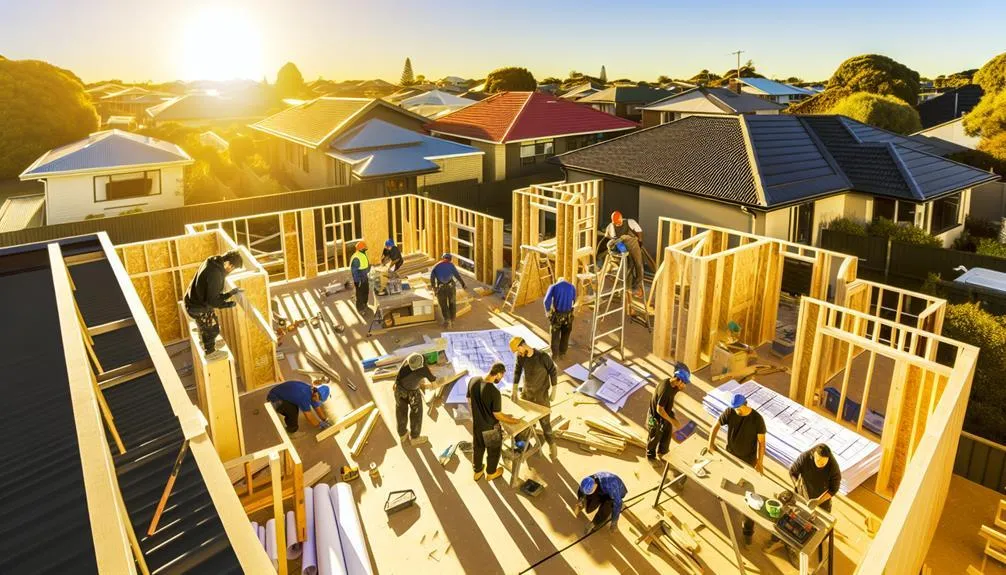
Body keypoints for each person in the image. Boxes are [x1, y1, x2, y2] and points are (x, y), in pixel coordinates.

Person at [708, 393, 767, 544]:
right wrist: (710, 443)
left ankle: (748, 531)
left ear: (745, 404)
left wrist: (760, 462)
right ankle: (724, 497)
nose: (736, 411)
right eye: (734, 409)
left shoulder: (757, 419)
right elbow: (716, 426)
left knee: (749, 495)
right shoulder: (730, 411)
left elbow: (762, 443)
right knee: (726, 482)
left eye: (738, 408)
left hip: (748, 460)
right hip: (731, 455)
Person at [184, 250, 244, 361]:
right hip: (196, 307)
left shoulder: (212, 261)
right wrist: (229, 304)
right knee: (213, 328)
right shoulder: (215, 274)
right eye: (232, 268)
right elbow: (213, 301)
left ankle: (204, 339)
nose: (230, 271)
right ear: (228, 264)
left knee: (207, 320)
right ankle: (210, 352)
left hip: (192, 301)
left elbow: (212, 295)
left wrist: (230, 293)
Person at [467, 362, 520, 481]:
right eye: (502, 376)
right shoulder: (494, 392)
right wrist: (513, 420)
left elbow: (469, 400)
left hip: (477, 425)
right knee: (493, 451)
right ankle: (491, 473)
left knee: (478, 447)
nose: (501, 379)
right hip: (491, 428)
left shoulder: (473, 381)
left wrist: (478, 414)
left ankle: (478, 471)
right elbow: (497, 415)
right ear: (498, 374)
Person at [509, 337, 559, 459]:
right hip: (527, 394)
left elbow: (553, 371)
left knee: (545, 424)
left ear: (522, 345)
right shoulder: (521, 357)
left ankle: (552, 445)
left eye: (518, 350)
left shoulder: (542, 357)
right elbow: (517, 371)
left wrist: (554, 389)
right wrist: (514, 388)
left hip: (541, 396)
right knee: (523, 424)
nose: (518, 353)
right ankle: (524, 447)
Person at [646, 363, 690, 462]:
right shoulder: (665, 389)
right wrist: (673, 421)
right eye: (684, 383)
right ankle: (650, 456)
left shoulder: (674, 385)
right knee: (655, 436)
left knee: (667, 432)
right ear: (678, 380)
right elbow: (659, 409)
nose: (684, 385)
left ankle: (663, 451)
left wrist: (671, 420)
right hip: (656, 417)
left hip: (666, 412)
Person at [394, 353, 436, 447]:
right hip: (413, 394)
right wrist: (430, 386)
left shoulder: (409, 358)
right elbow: (434, 385)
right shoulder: (423, 368)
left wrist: (395, 381)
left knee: (400, 412)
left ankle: (402, 434)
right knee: (416, 414)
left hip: (399, 389)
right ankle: (415, 438)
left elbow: (402, 366)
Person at [790, 444, 841, 513]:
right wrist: (796, 484)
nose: (820, 464)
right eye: (818, 460)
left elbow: (834, 489)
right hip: (803, 493)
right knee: (798, 515)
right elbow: (793, 472)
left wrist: (818, 501)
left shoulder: (834, 467)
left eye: (823, 463)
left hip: (822, 499)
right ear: (814, 455)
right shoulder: (805, 457)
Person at [266, 380, 332, 434]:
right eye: (319, 400)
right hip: (274, 400)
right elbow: (308, 415)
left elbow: (317, 406)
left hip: (280, 394)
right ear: (316, 395)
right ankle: (291, 431)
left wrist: (325, 419)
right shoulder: (304, 396)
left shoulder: (313, 391)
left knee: (296, 403)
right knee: (293, 410)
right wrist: (319, 424)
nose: (319, 401)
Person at [430, 253, 466, 328]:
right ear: (450, 259)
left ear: (442, 258)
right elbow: (457, 276)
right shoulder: (451, 265)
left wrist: (434, 288)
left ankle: (447, 319)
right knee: (452, 303)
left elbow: (432, 278)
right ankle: (452, 319)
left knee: (443, 304)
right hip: (451, 287)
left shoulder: (436, 266)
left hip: (441, 288)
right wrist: (463, 284)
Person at [543, 277, 576, 359]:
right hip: (568, 316)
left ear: (558, 281)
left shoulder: (554, 286)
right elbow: (574, 300)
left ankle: (554, 355)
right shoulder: (572, 287)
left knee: (555, 336)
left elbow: (546, 300)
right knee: (566, 335)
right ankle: (563, 353)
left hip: (557, 315)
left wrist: (547, 311)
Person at [350, 241, 370, 314]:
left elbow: (365, 264)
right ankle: (360, 308)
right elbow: (354, 271)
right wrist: (357, 281)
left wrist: (369, 269)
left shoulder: (363, 254)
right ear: (360, 249)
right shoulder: (356, 257)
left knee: (366, 291)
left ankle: (365, 304)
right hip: (360, 278)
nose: (365, 249)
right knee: (360, 294)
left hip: (364, 277)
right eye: (364, 248)